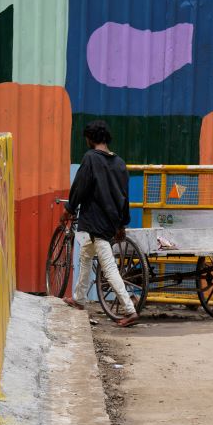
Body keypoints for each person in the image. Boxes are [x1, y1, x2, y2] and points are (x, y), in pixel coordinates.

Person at [63, 120, 140, 328]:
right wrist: (122, 224)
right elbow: (124, 197)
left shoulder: (90, 159)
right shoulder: (120, 163)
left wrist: (69, 209)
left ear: (90, 139)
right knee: (86, 255)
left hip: (96, 222)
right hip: (109, 222)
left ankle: (129, 309)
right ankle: (79, 298)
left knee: (108, 267)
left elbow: (80, 187)